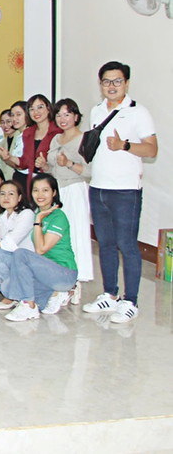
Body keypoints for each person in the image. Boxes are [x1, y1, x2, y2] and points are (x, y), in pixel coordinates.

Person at [82, 61, 157, 323]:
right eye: (106, 81)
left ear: (126, 83)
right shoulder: (96, 110)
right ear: (100, 84)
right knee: (105, 244)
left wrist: (124, 145)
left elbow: (152, 150)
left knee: (127, 244)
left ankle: (130, 301)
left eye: (117, 81)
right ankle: (110, 294)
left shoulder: (138, 112)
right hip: (98, 187)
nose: (111, 86)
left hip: (125, 191)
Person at [2, 174, 78, 322]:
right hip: (46, 274)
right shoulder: (38, 213)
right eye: (36, 190)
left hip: (64, 272)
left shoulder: (58, 217)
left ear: (54, 193)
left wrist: (37, 221)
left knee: (21, 254)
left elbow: (41, 250)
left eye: (45, 190)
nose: (40, 195)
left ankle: (29, 306)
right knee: (7, 287)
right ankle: (56, 294)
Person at [41, 98, 93, 297]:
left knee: (75, 235)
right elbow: (54, 168)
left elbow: (90, 171)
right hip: (58, 191)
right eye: (58, 115)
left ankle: (76, 282)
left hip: (74, 189)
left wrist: (69, 163)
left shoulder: (84, 139)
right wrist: (45, 166)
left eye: (67, 114)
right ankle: (60, 279)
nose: (62, 119)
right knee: (57, 235)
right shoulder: (56, 139)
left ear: (76, 117)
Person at [0, 180, 36, 309]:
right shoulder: (1, 217)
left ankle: (13, 294)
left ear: (19, 197)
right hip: (10, 261)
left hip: (25, 262)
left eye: (11, 194)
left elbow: (10, 243)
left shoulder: (27, 214)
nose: (6, 197)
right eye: (2, 194)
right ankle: (11, 289)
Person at [17, 94, 62, 192]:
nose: (36, 112)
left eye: (40, 107)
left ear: (48, 109)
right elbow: (25, 162)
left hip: (54, 180)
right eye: (31, 109)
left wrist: (45, 164)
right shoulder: (27, 133)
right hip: (33, 181)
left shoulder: (58, 131)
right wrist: (7, 157)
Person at [0, 100, 32, 189]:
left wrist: (0, 153)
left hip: (27, 179)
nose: (14, 119)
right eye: (13, 115)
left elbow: (22, 165)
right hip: (18, 178)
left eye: (18, 114)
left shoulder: (31, 135)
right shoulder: (20, 136)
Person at [0, 108, 16, 181]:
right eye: (2, 122)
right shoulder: (2, 142)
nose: (5, 125)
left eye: (8, 121)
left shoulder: (21, 138)